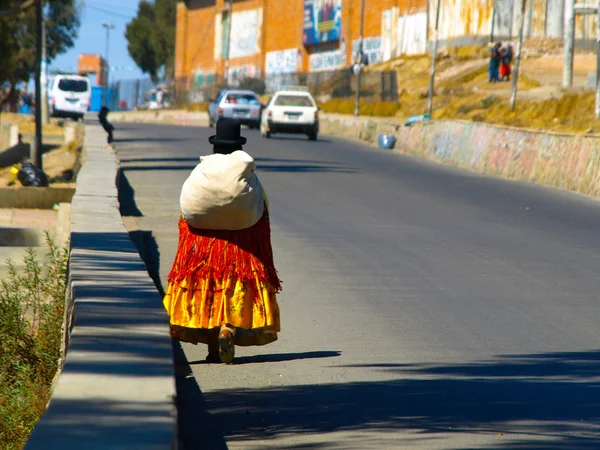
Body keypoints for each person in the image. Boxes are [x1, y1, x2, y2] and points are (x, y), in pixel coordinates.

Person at [163, 124, 282, 364]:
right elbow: (262, 213)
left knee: (208, 290)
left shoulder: (202, 169)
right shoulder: (247, 173)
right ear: (239, 146)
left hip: (204, 248)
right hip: (241, 248)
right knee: (232, 287)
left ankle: (212, 348)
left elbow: (186, 212)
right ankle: (227, 329)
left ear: (215, 145)